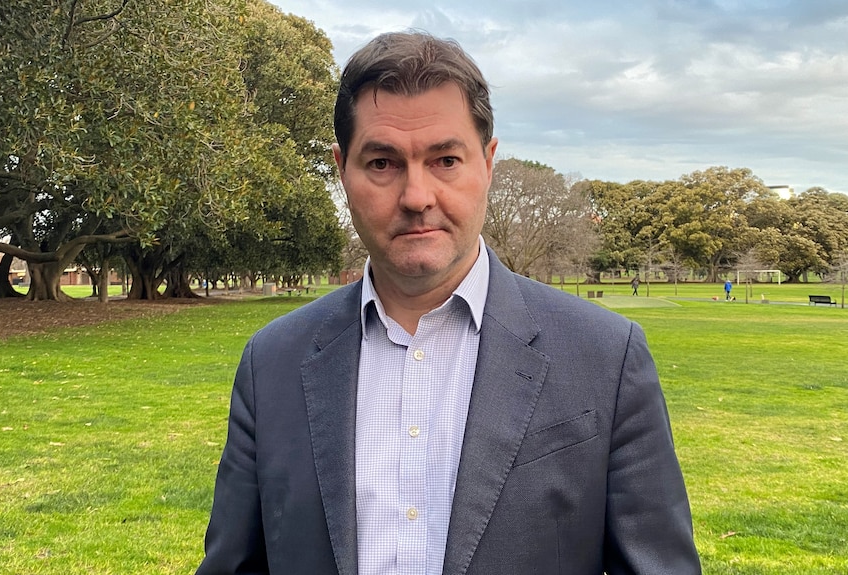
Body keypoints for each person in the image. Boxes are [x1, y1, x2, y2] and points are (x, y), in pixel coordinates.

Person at [196, 31, 701, 575]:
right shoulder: (272, 363)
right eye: (383, 163)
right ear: (343, 170)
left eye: (445, 160)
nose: (417, 197)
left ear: (487, 161)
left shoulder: (607, 358)